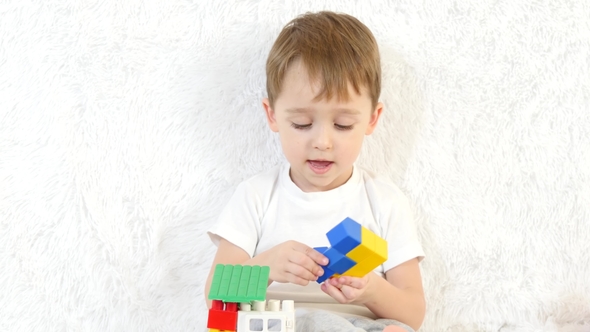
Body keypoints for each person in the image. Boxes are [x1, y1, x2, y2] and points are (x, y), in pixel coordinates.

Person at [205, 11, 425, 332]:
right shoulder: (256, 196)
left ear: (372, 120)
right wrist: (265, 267)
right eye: (302, 124)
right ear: (273, 115)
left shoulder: (385, 201)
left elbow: (413, 313)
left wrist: (372, 290)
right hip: (276, 322)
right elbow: (215, 296)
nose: (322, 142)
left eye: (343, 124)